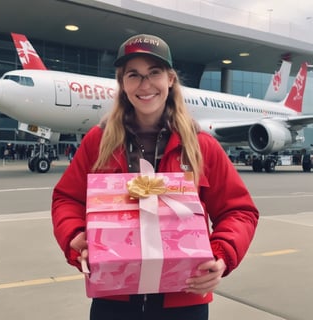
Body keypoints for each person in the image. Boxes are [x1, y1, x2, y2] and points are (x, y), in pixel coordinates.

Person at [51, 34, 259, 320]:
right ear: (122, 84)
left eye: (154, 73)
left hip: (185, 297)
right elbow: (67, 198)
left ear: (170, 79)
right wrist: (74, 235)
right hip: (114, 296)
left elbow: (239, 210)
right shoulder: (98, 142)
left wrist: (221, 254)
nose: (145, 85)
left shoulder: (201, 146)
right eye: (133, 75)